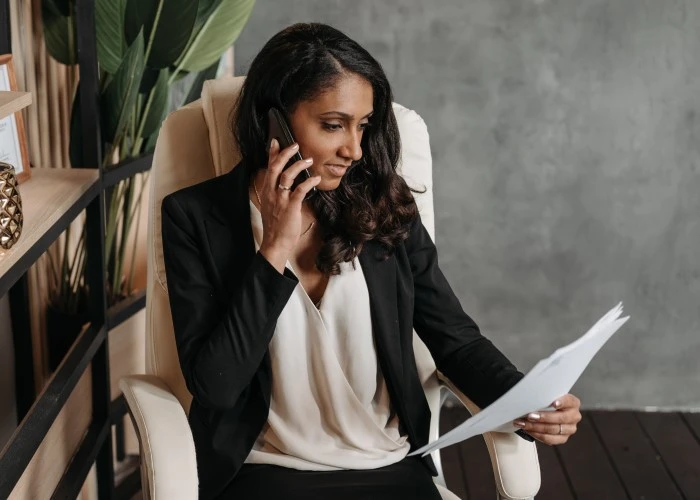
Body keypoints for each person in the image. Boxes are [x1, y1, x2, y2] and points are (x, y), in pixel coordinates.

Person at [161, 22, 582, 500]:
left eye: (363, 126)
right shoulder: (194, 217)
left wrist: (529, 402)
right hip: (262, 472)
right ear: (273, 121)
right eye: (333, 125)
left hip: (385, 464)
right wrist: (273, 250)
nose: (354, 150)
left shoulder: (384, 207)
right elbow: (216, 385)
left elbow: (457, 341)